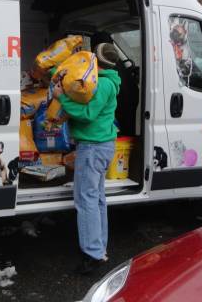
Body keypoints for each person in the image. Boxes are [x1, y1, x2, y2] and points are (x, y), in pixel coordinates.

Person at [53, 42, 121, 274]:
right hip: (101, 146)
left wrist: (62, 98)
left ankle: (92, 254)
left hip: (92, 148)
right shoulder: (108, 81)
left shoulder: (102, 84)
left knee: (86, 201)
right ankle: (99, 249)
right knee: (97, 199)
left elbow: (87, 114)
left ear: (95, 61)